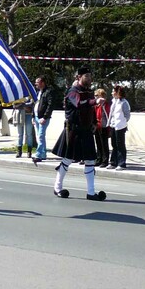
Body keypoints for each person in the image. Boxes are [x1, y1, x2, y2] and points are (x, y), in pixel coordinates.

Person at [51, 67, 106, 201]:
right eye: (86, 76)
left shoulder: (88, 91)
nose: (89, 78)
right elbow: (79, 104)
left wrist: (94, 122)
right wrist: (94, 101)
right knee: (68, 159)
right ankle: (57, 188)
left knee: (90, 160)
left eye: (90, 76)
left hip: (86, 129)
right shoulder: (72, 91)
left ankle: (91, 192)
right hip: (73, 130)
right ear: (78, 77)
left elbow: (90, 109)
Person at [107, 85, 131, 170]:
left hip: (120, 126)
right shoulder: (114, 101)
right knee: (114, 144)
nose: (112, 93)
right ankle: (113, 162)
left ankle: (122, 164)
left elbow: (127, 115)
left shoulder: (124, 102)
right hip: (113, 125)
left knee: (120, 145)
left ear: (118, 92)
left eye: (113, 91)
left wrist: (122, 122)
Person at [31, 75, 54, 163]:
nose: (36, 84)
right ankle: (43, 154)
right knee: (40, 136)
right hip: (36, 117)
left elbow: (50, 105)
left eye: (38, 82)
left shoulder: (48, 92)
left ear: (43, 83)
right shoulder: (38, 92)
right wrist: (33, 117)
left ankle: (38, 155)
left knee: (40, 135)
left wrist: (45, 117)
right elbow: (35, 104)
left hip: (43, 118)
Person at [93, 88, 111, 168]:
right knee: (98, 144)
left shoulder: (106, 105)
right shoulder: (96, 105)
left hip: (104, 126)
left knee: (104, 144)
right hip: (97, 126)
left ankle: (105, 160)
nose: (95, 97)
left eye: (97, 95)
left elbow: (107, 115)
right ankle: (98, 159)